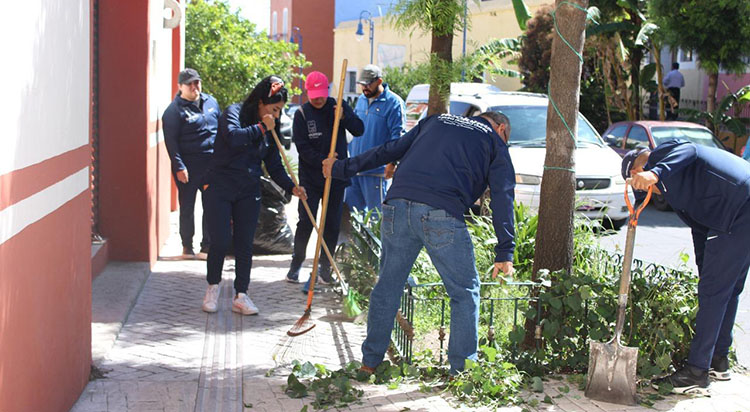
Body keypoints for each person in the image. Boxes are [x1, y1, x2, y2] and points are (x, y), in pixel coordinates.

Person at [323, 111, 516, 374]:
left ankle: (370, 363)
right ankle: (461, 372)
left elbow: (388, 150)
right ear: (501, 128)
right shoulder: (494, 141)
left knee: (388, 287)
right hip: (441, 213)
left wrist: (340, 168)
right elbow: (503, 196)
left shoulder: (435, 120)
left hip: (397, 206)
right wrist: (505, 251)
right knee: (464, 292)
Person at [622, 139, 750, 395]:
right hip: (737, 209)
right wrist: (705, 268)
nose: (650, 192)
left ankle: (696, 372)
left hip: (738, 206)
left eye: (642, 185)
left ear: (637, 170)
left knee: (714, 293)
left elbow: (691, 149)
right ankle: (718, 361)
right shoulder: (676, 191)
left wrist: (654, 172)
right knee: (726, 289)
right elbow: (699, 226)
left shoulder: (661, 156)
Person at [201, 76, 307, 315]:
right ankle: (213, 287)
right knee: (220, 241)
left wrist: (292, 187)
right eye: (274, 109)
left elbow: (274, 165)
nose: (276, 115)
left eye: (279, 111)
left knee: (244, 243)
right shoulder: (234, 113)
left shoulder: (270, 129)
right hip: (219, 186)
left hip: (248, 190)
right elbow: (233, 137)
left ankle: (241, 294)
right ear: (260, 102)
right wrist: (261, 128)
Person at [285, 71, 364, 289]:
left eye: (321, 95)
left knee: (331, 224)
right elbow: (303, 149)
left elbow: (359, 129)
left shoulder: (337, 107)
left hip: (336, 177)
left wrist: (345, 117)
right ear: (307, 93)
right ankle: (296, 263)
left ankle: (325, 267)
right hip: (311, 179)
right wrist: (324, 160)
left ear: (326, 92)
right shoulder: (302, 114)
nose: (318, 99)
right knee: (306, 221)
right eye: (314, 96)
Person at [163, 68, 220, 259]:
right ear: (180, 86)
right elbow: (171, 143)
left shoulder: (211, 102)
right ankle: (187, 246)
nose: (194, 87)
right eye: (190, 84)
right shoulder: (173, 111)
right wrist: (179, 166)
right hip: (188, 166)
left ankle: (207, 247)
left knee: (211, 204)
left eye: (197, 82)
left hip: (211, 164)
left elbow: (221, 129)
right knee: (187, 206)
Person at [346, 64, 406, 213]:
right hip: (355, 169)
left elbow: (398, 136)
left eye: (368, 84)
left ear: (379, 81)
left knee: (377, 217)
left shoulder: (394, 103)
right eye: (362, 84)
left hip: (377, 172)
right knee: (353, 217)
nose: (364, 88)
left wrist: (393, 162)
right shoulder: (361, 100)